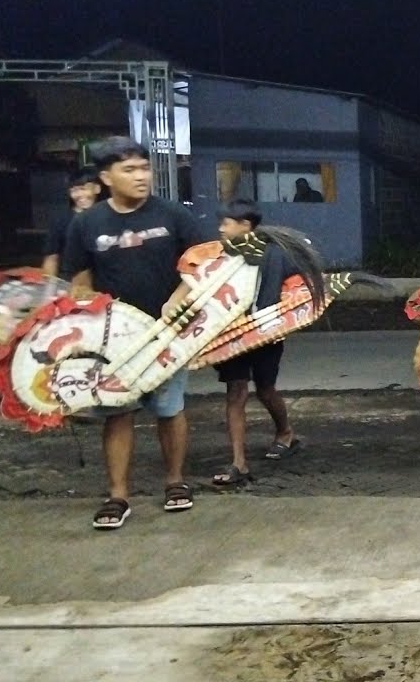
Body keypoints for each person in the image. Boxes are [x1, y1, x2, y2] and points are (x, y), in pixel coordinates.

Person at [61, 136, 211, 529]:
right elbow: (79, 281)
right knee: (118, 412)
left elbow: (204, 264)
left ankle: (176, 482)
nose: (141, 176)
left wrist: (178, 299)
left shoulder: (174, 214)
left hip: (166, 333)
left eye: (144, 168)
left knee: (169, 409)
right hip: (114, 340)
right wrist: (92, 317)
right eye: (129, 170)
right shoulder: (86, 223)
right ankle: (117, 496)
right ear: (106, 177)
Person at [209, 200, 303, 485]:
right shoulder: (219, 256)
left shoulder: (277, 254)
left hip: (266, 335)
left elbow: (298, 285)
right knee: (235, 392)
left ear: (245, 226)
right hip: (231, 334)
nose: (220, 228)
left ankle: (285, 432)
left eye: (226, 223)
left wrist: (287, 317)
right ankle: (239, 463)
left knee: (265, 390)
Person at [42, 167, 103, 276]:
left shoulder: (107, 216)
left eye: (83, 188)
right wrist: (49, 288)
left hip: (103, 282)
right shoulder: (61, 220)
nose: (79, 195)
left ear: (97, 188)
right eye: (74, 191)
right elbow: (52, 257)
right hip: (71, 281)